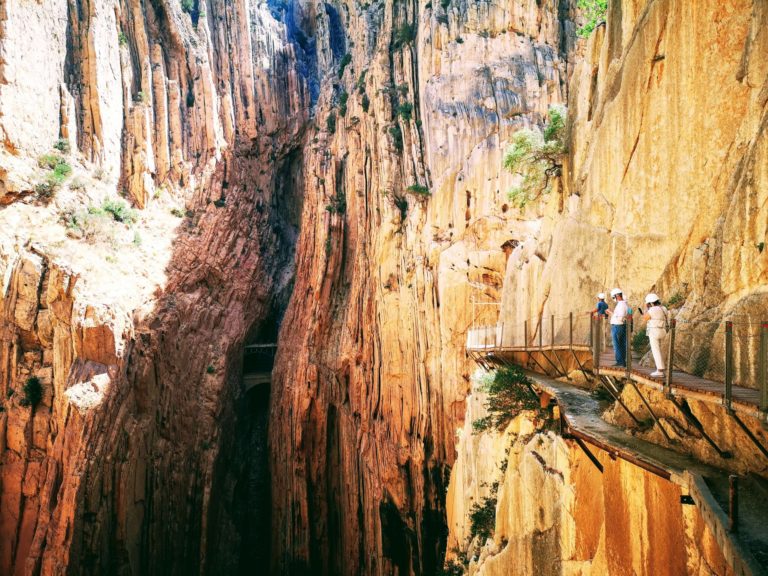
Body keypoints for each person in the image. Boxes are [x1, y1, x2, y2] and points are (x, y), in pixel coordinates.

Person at [643, 293, 669, 378]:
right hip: (663, 331)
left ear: (650, 302)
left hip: (654, 331)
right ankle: (662, 368)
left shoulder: (652, 310)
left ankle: (660, 370)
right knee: (660, 350)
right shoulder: (664, 308)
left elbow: (645, 318)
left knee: (656, 350)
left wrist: (646, 309)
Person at [609, 288, 629, 366]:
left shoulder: (621, 305)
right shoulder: (623, 304)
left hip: (617, 326)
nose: (614, 299)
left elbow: (620, 318)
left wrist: (611, 313)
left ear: (617, 296)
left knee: (617, 345)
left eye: (614, 297)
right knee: (621, 344)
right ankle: (622, 361)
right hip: (620, 326)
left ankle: (620, 362)